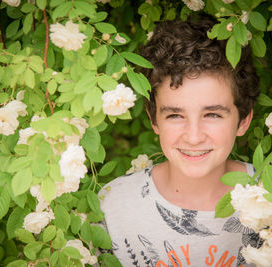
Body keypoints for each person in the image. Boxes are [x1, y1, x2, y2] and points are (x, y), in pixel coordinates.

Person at [99, 18, 261, 267]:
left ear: (243, 120)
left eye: (212, 115)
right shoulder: (113, 207)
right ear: (154, 120)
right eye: (175, 115)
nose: (193, 136)